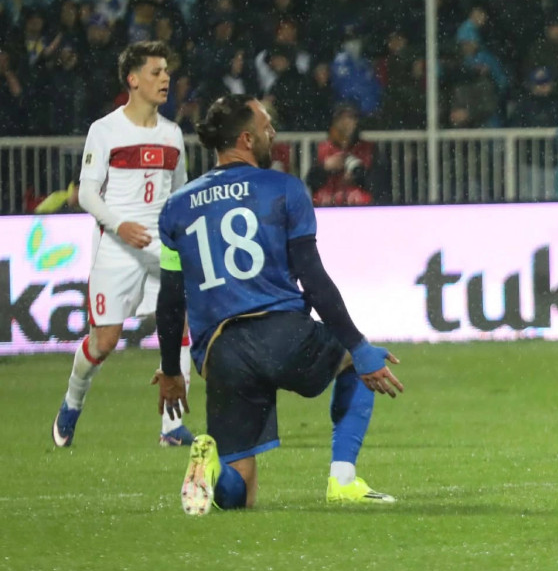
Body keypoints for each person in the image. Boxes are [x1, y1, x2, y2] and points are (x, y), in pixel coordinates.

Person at [154, 94, 404, 516]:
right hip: (281, 332)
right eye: (266, 125)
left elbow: (170, 299)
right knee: (355, 363)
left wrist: (171, 370)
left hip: (221, 351)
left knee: (241, 494)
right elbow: (314, 279)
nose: (273, 132)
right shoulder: (284, 188)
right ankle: (343, 481)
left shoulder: (176, 207)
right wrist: (359, 346)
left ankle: (212, 467)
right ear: (247, 139)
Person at [52, 40, 195, 448]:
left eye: (167, 72)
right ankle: (72, 401)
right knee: (105, 341)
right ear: (133, 80)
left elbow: (179, 192)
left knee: (181, 325)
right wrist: (120, 225)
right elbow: (87, 193)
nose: (165, 78)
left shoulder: (172, 134)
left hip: (161, 248)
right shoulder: (105, 130)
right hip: (117, 246)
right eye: (156, 72)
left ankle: (172, 427)